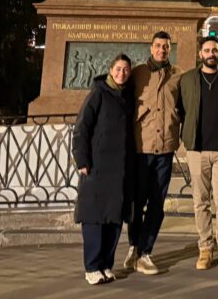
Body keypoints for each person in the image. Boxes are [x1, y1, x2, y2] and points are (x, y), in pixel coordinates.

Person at [177, 33, 218, 273]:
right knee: (200, 203)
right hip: (197, 150)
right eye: (207, 50)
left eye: (214, 50)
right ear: (200, 54)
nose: (211, 54)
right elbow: (181, 109)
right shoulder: (187, 80)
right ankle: (205, 249)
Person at [73, 54, 135, 285]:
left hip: (120, 167)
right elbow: (82, 127)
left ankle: (106, 264)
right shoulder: (98, 93)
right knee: (95, 217)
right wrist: (82, 159)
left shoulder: (128, 95)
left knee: (114, 218)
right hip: (98, 166)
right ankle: (92, 266)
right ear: (110, 70)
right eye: (118, 69)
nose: (122, 73)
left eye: (126, 69)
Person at [124, 31, 182, 275]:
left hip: (165, 149)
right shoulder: (137, 73)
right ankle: (134, 246)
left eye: (166, 46)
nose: (161, 50)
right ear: (151, 48)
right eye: (158, 46)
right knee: (138, 202)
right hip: (141, 148)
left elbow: (183, 107)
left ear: (170, 49)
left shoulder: (178, 75)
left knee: (157, 203)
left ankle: (145, 252)